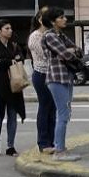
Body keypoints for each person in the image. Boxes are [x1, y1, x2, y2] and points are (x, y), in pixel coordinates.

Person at [40, 7, 80, 162]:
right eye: (61, 17)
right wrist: (70, 52)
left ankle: (60, 148)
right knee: (62, 115)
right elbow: (66, 54)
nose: (65, 19)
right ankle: (59, 151)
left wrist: (71, 51)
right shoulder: (49, 36)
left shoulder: (61, 35)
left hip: (67, 77)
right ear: (52, 21)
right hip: (56, 78)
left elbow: (78, 50)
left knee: (65, 114)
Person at [0, 19, 27, 156]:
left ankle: (11, 146)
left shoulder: (14, 45)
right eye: (7, 28)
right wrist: (9, 61)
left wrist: (3, 61)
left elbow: (20, 58)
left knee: (12, 115)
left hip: (14, 85)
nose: (10, 31)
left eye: (10, 28)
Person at [27, 8, 56, 153]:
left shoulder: (51, 34)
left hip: (53, 74)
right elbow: (47, 55)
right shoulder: (35, 36)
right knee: (45, 107)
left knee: (53, 108)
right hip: (41, 74)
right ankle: (43, 143)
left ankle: (51, 141)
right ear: (40, 19)